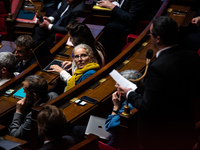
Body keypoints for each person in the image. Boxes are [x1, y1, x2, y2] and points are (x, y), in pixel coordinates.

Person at [117, 16, 200, 150]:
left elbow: (147, 106)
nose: (150, 37)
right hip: (185, 128)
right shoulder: (192, 56)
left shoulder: (157, 68)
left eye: (150, 34)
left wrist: (129, 94)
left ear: (158, 38)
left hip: (160, 136)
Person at [8, 75, 58, 141]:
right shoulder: (54, 95)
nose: (23, 92)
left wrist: (18, 111)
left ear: (34, 95)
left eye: (25, 90)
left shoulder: (33, 115)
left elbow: (14, 135)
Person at [105, 69, 144, 148]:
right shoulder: (141, 96)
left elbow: (109, 127)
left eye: (119, 84)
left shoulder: (129, 106)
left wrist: (115, 107)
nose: (116, 86)